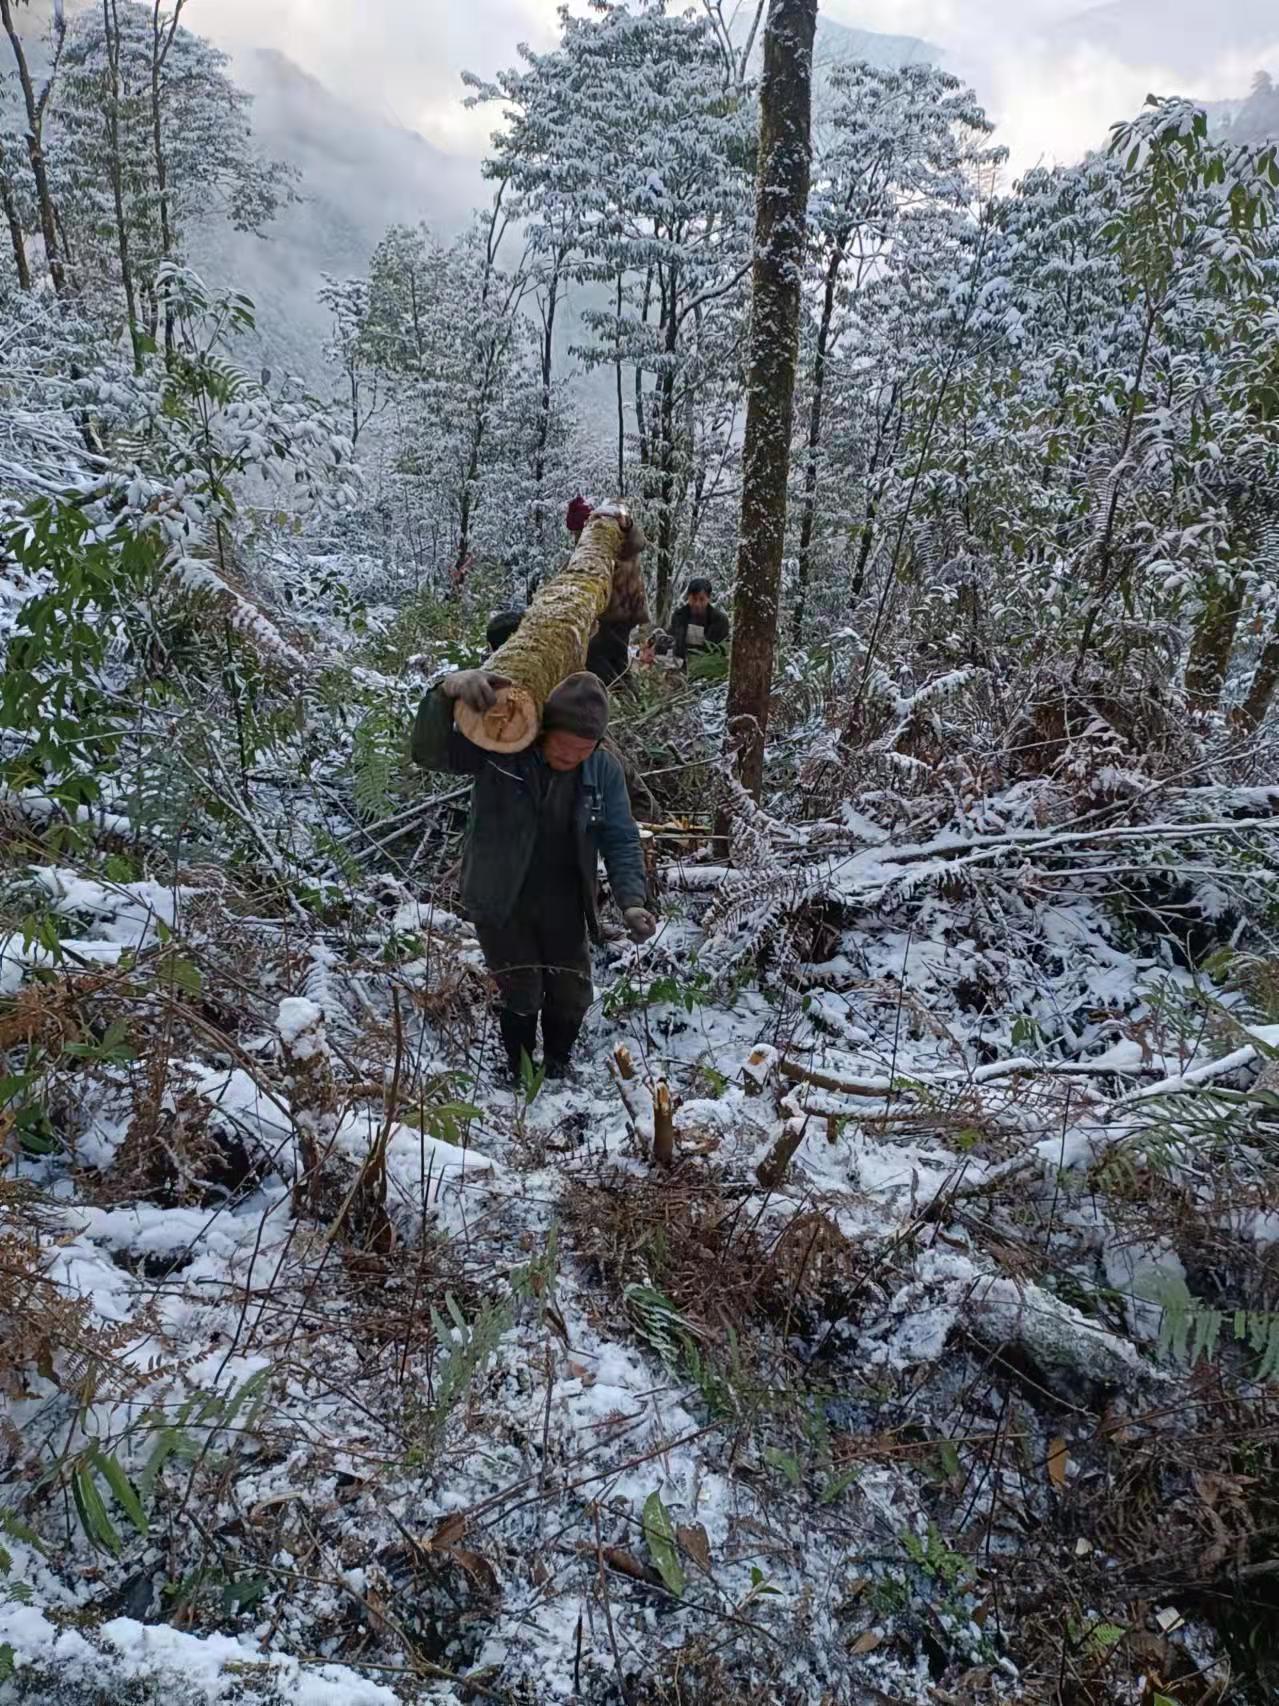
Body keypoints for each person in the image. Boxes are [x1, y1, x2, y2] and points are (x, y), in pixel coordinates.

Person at [412, 667, 657, 1081]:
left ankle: (558, 1066)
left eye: (583, 749)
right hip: (501, 890)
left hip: (564, 895)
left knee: (571, 992)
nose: (570, 757)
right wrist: (443, 693)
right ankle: (520, 1071)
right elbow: (430, 752)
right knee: (521, 989)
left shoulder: (603, 769)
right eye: (563, 745)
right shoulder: (507, 745)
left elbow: (620, 837)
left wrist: (632, 902)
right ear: (546, 730)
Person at [669, 578, 730, 663]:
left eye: (701, 599)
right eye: (694, 599)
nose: (697, 604)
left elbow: (721, 650)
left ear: (708, 599)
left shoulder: (720, 620)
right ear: (688, 597)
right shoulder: (679, 616)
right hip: (680, 665)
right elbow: (673, 639)